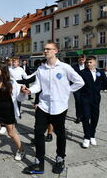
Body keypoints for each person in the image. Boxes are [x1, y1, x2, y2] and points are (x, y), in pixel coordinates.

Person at [22, 42, 84, 175]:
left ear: (56, 51)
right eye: (44, 49)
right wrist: (29, 90)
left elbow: (80, 82)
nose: (45, 51)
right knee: (38, 133)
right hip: (43, 106)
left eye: (48, 49)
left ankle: (60, 159)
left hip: (59, 107)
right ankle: (39, 163)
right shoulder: (41, 69)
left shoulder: (65, 67)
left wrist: (67, 91)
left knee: (60, 134)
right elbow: (38, 86)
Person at [80, 56, 107, 148]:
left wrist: (99, 88)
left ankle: (92, 135)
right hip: (85, 98)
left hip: (96, 98)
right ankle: (86, 137)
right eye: (87, 62)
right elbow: (77, 84)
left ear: (95, 63)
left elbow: (106, 83)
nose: (88, 64)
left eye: (90, 62)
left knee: (95, 117)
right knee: (85, 117)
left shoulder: (100, 72)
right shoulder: (83, 72)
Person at [72, 54, 86, 124]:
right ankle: (78, 117)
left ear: (85, 60)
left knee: (84, 102)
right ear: (78, 60)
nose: (81, 61)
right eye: (80, 60)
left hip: (85, 88)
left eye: (82, 60)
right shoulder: (74, 67)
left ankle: (84, 116)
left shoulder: (87, 67)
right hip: (76, 88)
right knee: (78, 101)